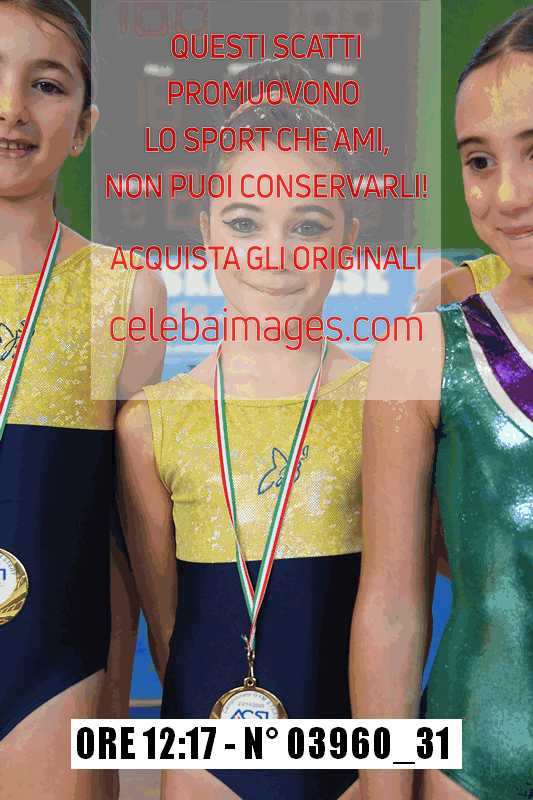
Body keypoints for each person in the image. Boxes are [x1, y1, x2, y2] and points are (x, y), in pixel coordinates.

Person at [117, 60, 366, 800]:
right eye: (245, 222)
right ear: (206, 230)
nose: (275, 254)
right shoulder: (151, 423)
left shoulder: (389, 403)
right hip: (205, 764)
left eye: (309, 225)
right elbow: (166, 623)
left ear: (348, 239)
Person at [352, 8, 533, 799]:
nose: (507, 194)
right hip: (473, 763)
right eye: (478, 160)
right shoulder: (423, 350)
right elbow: (391, 606)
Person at [0, 2, 165, 798]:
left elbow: (123, 534)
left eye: (46, 85)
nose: (11, 108)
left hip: (54, 675)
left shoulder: (123, 290)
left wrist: (111, 710)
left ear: (85, 126)